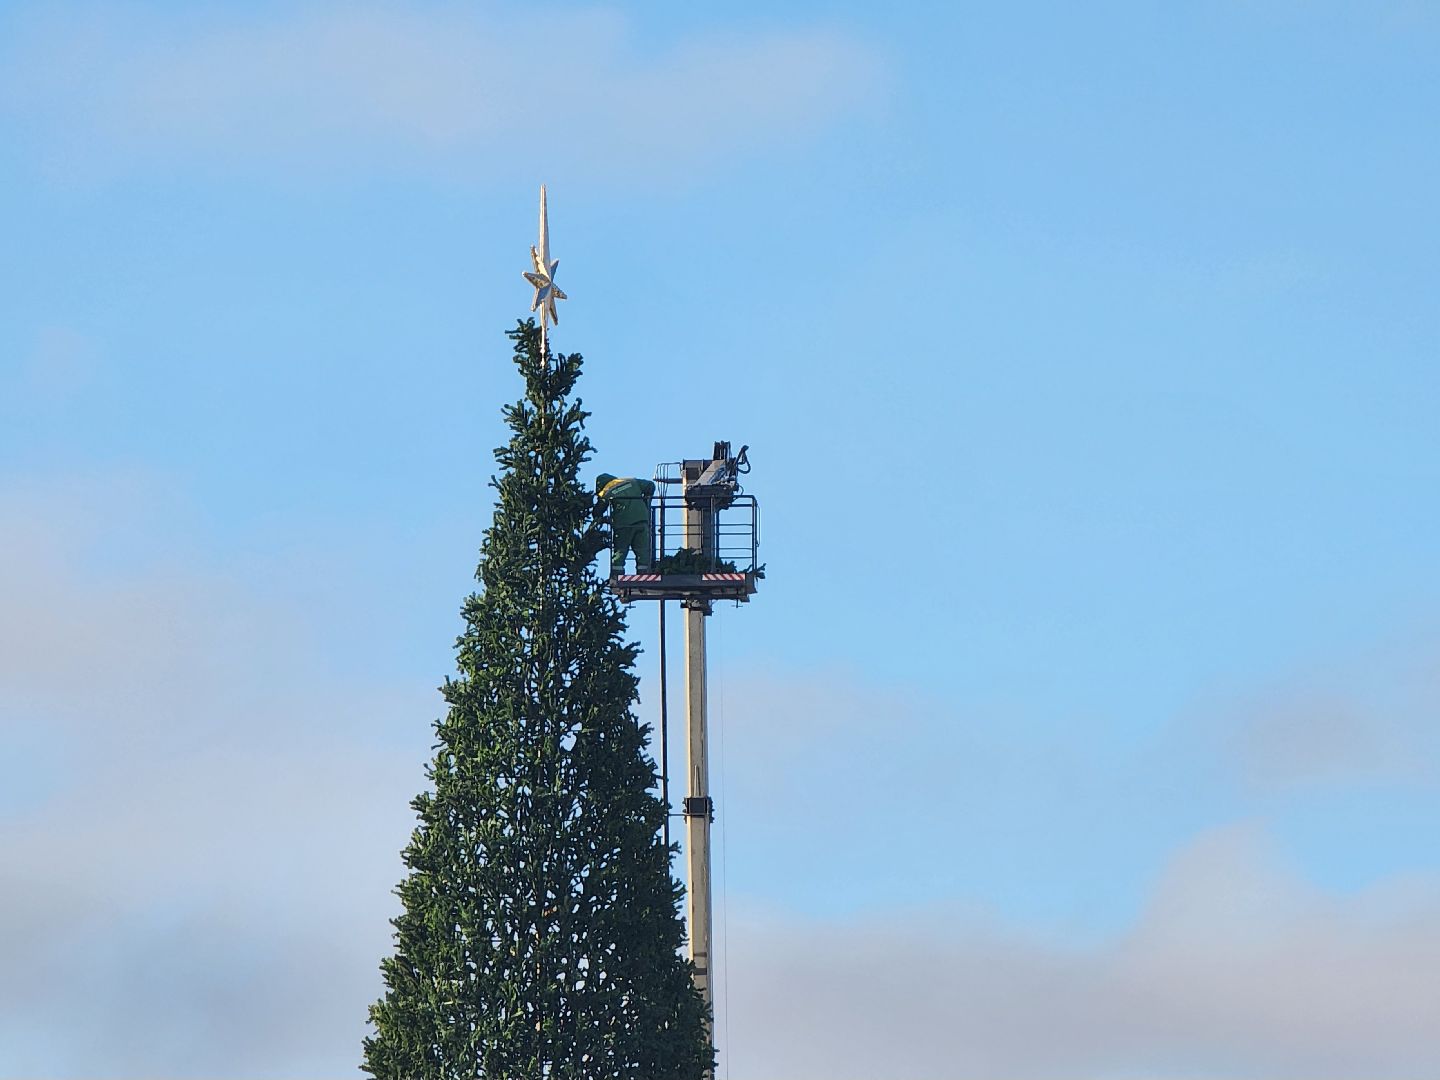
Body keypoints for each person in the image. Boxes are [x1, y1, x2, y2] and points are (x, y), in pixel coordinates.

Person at [595, 473, 655, 574]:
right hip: (642, 519)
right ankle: (644, 573)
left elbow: (599, 510)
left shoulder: (607, 489)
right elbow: (650, 485)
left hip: (624, 523)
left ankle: (617, 574)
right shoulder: (630, 481)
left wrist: (598, 518)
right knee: (642, 549)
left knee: (620, 550)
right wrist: (646, 503)